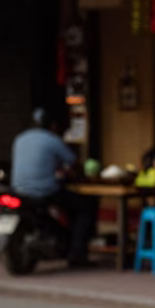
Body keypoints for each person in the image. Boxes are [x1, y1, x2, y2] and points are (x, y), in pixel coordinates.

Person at [10, 107, 97, 268]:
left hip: (18, 190)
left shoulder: (20, 139)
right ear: (53, 125)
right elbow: (72, 163)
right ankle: (77, 253)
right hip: (44, 191)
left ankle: (63, 240)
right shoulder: (52, 140)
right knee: (86, 206)